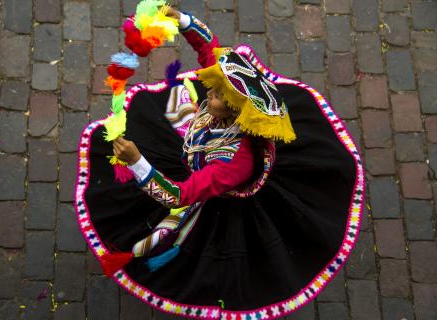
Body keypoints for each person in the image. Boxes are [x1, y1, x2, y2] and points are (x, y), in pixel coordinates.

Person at [75, 8, 364, 319]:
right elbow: (208, 48)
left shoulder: (233, 162)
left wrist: (137, 162)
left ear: (236, 112)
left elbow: (178, 196)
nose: (207, 91)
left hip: (215, 193)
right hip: (199, 156)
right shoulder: (228, 92)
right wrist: (180, 19)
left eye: (214, 96)